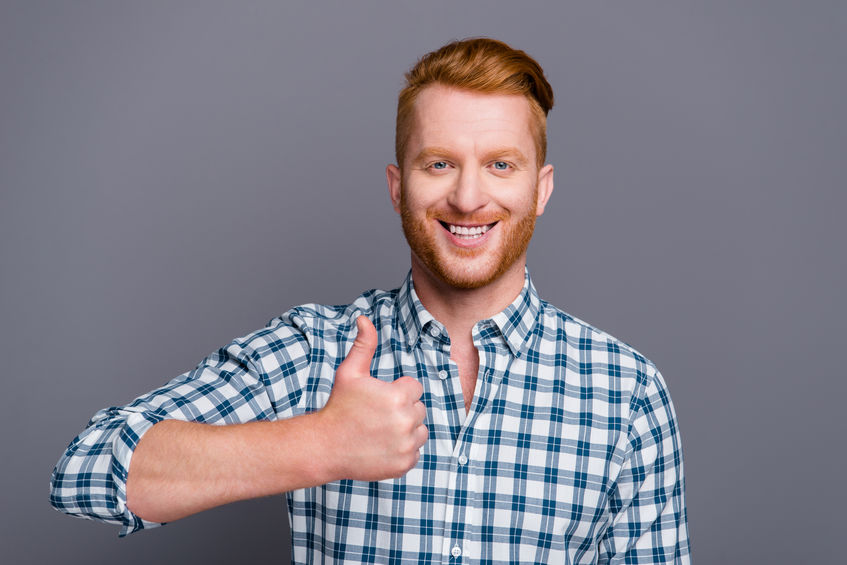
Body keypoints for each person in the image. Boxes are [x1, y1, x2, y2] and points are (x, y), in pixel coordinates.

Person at [50, 38, 691, 563]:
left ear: (541, 188)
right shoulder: (318, 350)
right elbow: (86, 473)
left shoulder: (626, 391)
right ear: (396, 185)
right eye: (438, 164)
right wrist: (317, 445)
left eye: (500, 164)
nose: (469, 198)